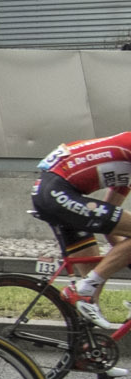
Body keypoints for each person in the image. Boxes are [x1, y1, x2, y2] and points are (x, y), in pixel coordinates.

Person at [30, 131, 131, 331]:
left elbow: (110, 228)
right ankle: (84, 290)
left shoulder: (125, 173)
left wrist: (124, 254)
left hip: (54, 193)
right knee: (90, 285)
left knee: (91, 285)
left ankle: (83, 354)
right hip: (58, 193)